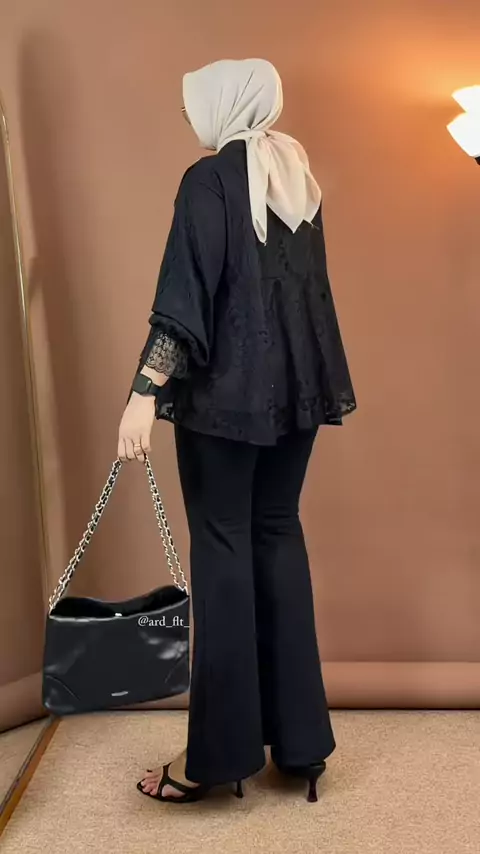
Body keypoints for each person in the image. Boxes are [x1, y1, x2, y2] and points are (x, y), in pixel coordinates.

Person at [118, 58, 356, 804]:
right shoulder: (297, 179)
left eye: (194, 105)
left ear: (224, 105)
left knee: (223, 552)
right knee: (277, 537)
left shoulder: (210, 180)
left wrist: (143, 393)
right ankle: (302, 748)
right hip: (296, 398)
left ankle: (216, 760)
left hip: (224, 403)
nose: (190, 118)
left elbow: (186, 294)